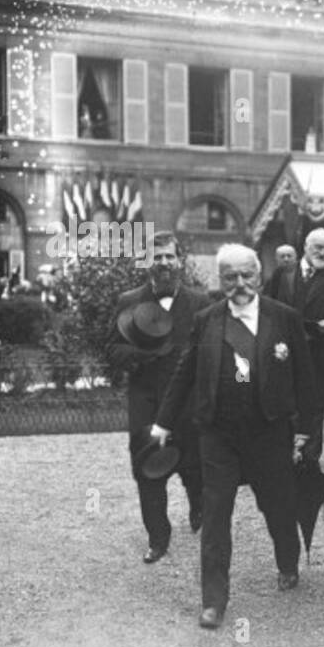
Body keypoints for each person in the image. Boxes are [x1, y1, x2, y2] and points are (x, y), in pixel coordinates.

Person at [150, 244, 316, 629]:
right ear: (219, 280)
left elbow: (306, 378)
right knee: (216, 515)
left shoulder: (285, 318)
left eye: (247, 276)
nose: (239, 284)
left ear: (259, 277)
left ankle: (287, 561)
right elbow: (184, 373)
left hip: (270, 432)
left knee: (278, 507)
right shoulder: (207, 319)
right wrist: (161, 424)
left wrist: (307, 430)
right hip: (218, 434)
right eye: (230, 277)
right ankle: (213, 600)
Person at [106, 232, 210, 564]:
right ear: (146, 261)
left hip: (188, 403)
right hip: (147, 400)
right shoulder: (129, 301)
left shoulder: (200, 303)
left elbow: (211, 353)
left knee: (194, 467)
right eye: (157, 256)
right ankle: (158, 538)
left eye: (169, 256)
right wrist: (141, 351)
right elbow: (111, 349)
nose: (164, 263)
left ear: (180, 261)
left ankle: (198, 506)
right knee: (147, 468)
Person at [269, 228, 324, 462]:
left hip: (317, 356)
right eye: (318, 248)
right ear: (306, 247)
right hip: (284, 354)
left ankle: (309, 464)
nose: (322, 253)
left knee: (312, 409)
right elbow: (266, 307)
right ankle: (282, 461)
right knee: (284, 407)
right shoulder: (282, 274)